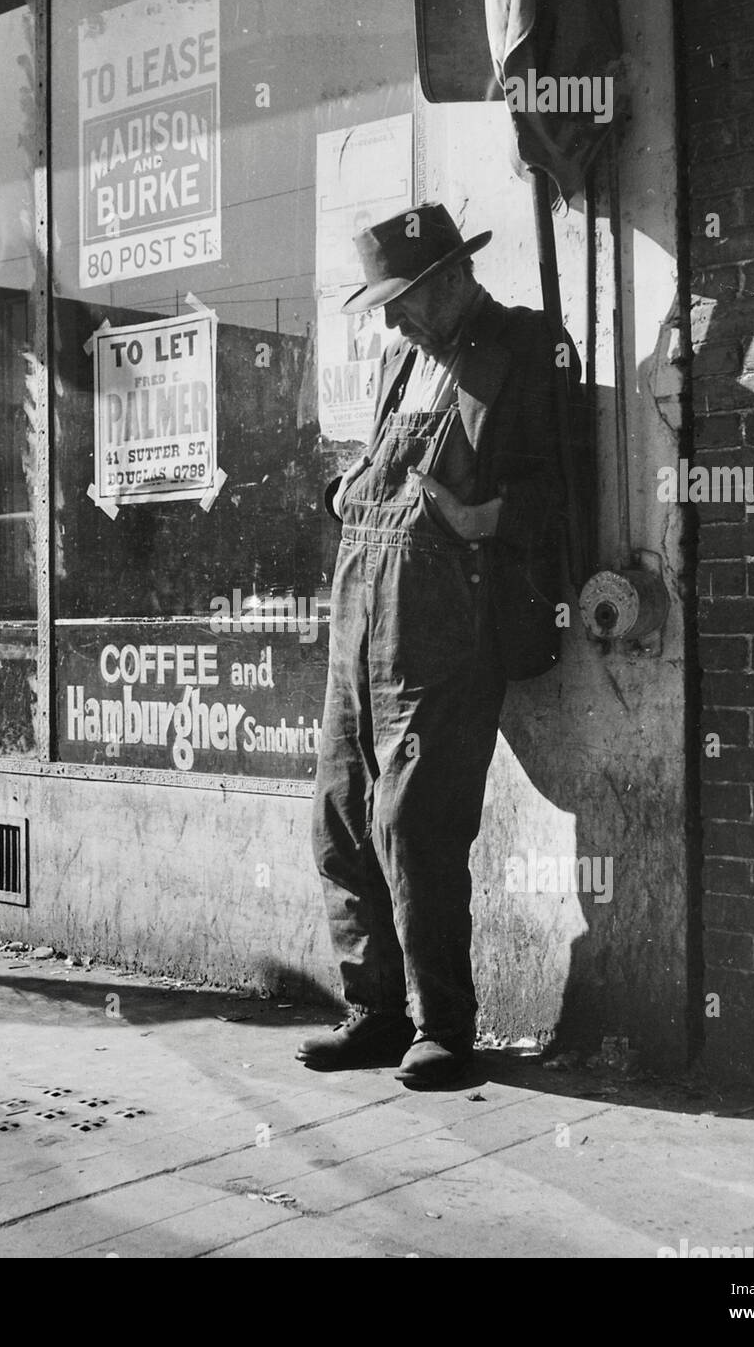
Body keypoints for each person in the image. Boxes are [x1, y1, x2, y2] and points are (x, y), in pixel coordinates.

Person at [298, 201, 566, 1088]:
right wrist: (349, 490)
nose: (389, 316)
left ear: (453, 277)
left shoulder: (524, 347)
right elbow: (383, 466)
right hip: (359, 621)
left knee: (413, 824)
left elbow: (564, 489)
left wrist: (483, 515)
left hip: (449, 629)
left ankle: (444, 1023)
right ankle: (374, 1011)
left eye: (403, 297)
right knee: (339, 818)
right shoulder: (402, 358)